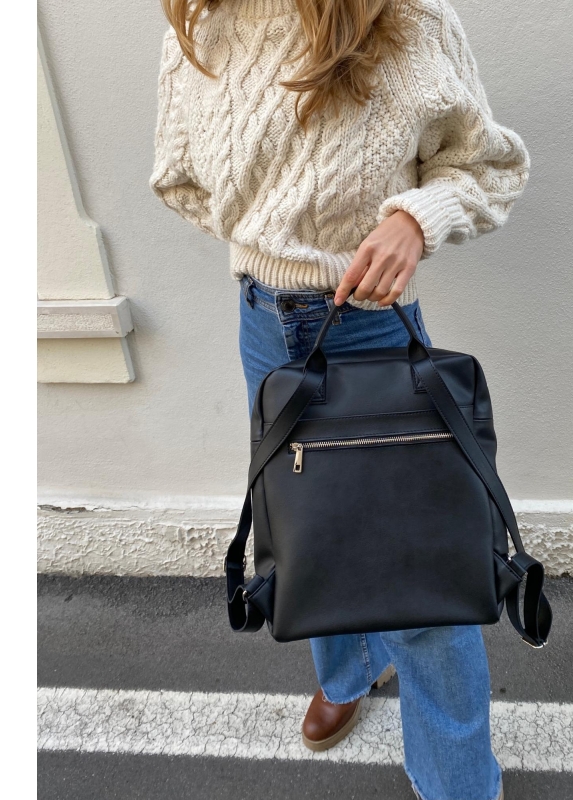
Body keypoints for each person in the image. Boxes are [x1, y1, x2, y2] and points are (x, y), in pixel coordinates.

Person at [150, 1, 529, 797]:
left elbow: (487, 166)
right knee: (311, 528)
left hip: (371, 328)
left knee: (422, 579)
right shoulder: (200, 24)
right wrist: (272, 234)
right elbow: (179, 176)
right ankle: (352, 668)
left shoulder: (410, 18)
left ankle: (460, 785)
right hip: (262, 325)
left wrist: (415, 219)